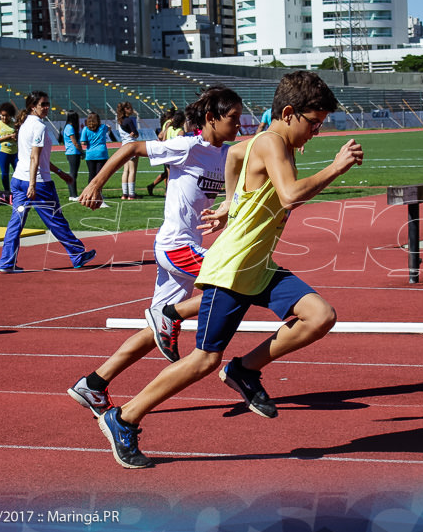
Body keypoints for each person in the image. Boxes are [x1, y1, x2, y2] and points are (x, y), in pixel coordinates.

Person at [95, 70, 364, 468]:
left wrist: (231, 205)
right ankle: (124, 417)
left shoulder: (264, 142)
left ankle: (245, 369)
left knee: (319, 316)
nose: (316, 133)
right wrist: (336, 167)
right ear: (289, 113)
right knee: (204, 360)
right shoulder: (273, 142)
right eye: (314, 123)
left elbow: (236, 157)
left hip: (258, 266)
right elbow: (289, 196)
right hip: (232, 269)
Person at [68, 87, 244, 417]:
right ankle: (168, 317)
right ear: (211, 118)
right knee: (232, 281)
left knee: (153, 334)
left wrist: (223, 210)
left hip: (188, 248)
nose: (240, 125)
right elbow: (132, 147)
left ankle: (93, 384)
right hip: (176, 246)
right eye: (233, 119)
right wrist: (95, 185)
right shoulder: (187, 147)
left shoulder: (227, 154)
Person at [0, 91, 97, 274]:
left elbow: (38, 158)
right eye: (43, 104)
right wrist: (33, 184)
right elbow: (35, 158)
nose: (46, 108)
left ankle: (6, 261)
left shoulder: (24, 125)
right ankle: (77, 253)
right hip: (38, 184)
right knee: (56, 220)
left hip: (19, 180)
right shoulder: (39, 127)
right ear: (32, 106)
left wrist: (59, 172)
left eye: (47, 104)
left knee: (15, 223)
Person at [80, 111, 113, 188]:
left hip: (90, 154)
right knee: (99, 175)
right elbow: (109, 128)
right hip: (101, 153)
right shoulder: (102, 127)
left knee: (91, 174)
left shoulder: (85, 129)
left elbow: (83, 142)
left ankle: (90, 193)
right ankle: (98, 193)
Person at [0, 102, 18, 192]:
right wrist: (7, 137)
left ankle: (18, 190)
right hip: (3, 152)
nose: (4, 118)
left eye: (7, 116)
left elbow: (20, 137)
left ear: (11, 115)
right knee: (5, 173)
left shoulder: (15, 124)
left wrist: (16, 137)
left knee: (18, 172)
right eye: (2, 115)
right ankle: (7, 192)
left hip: (15, 152)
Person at [116, 102, 140, 200]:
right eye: (130, 108)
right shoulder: (129, 120)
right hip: (131, 146)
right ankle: (131, 194)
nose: (131, 110)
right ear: (126, 109)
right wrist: (134, 134)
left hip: (124, 146)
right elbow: (136, 133)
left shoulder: (120, 121)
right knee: (132, 170)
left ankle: (124, 194)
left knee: (125, 170)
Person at [62, 110, 83, 201]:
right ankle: (73, 195)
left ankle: (73, 194)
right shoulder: (69, 127)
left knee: (74, 173)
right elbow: (74, 142)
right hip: (73, 152)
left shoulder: (68, 127)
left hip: (73, 152)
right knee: (73, 174)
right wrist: (82, 151)